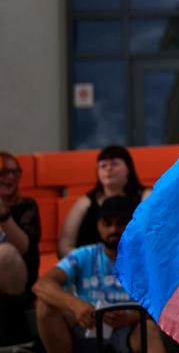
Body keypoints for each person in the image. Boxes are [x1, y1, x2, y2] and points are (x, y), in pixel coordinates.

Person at [35, 196, 164, 353]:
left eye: (121, 223)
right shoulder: (83, 255)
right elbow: (41, 285)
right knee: (45, 308)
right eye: (107, 223)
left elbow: (166, 306)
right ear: (98, 226)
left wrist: (131, 318)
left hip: (130, 331)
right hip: (87, 327)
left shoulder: (148, 260)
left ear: (133, 226)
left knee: (148, 327)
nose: (113, 229)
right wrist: (76, 305)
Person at [59, 146, 151, 257]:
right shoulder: (84, 203)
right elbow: (64, 246)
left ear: (129, 169)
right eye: (103, 165)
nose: (108, 169)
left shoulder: (147, 197)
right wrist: (86, 263)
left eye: (114, 164)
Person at [0, 151, 40, 345]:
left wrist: (3, 216)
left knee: (5, 253)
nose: (10, 177)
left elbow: (24, 248)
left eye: (15, 172)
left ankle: (16, 335)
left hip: (18, 283)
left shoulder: (26, 206)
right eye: (3, 172)